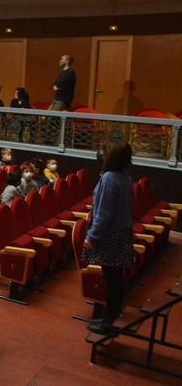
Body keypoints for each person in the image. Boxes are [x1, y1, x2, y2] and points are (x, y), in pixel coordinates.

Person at [84, 140, 135, 335]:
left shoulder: (109, 178)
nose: (101, 153)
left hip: (110, 235)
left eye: (103, 151)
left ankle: (108, 321)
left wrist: (92, 237)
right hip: (121, 232)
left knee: (112, 280)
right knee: (116, 279)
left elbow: (104, 214)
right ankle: (111, 316)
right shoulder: (124, 176)